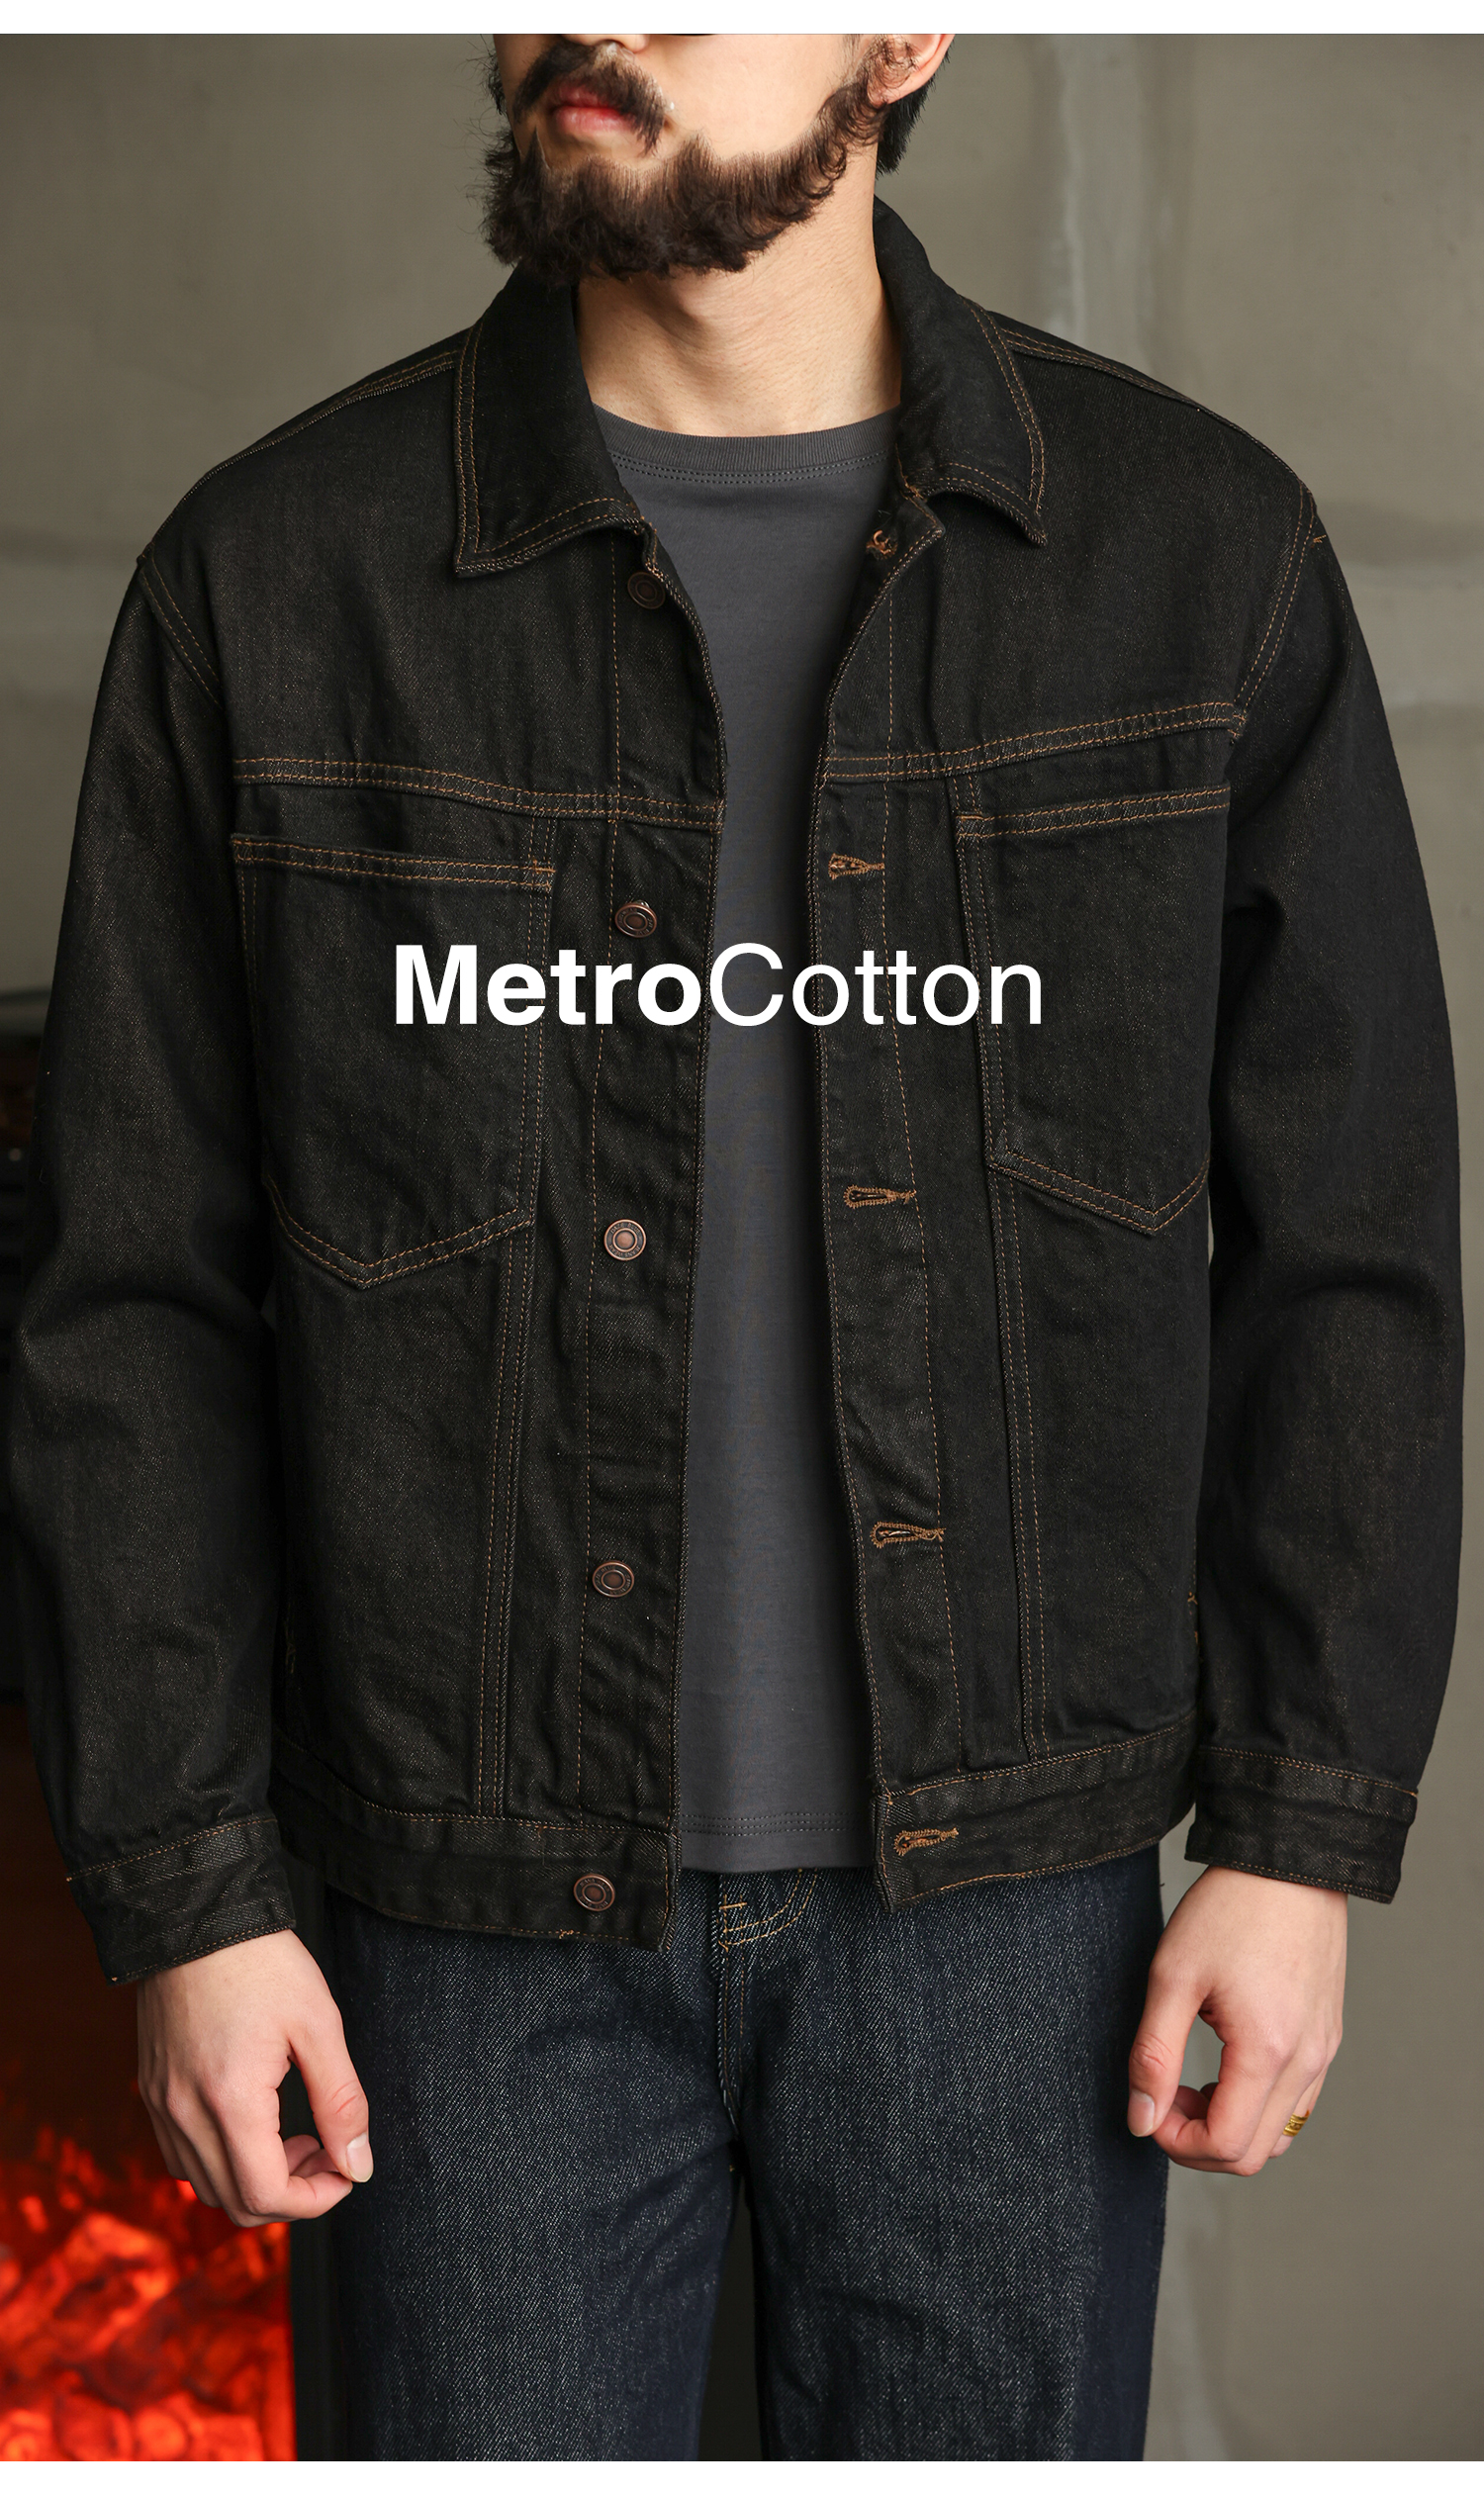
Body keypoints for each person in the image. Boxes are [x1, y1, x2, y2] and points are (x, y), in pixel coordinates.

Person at [9, 32, 1462, 2462]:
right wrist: (190, 1889)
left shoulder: (1197, 564)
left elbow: (1351, 1244)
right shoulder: (271, 582)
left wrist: (1299, 1834)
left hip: (1013, 1914)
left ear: (905, 37)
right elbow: (125, 1297)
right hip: (455, 1930)